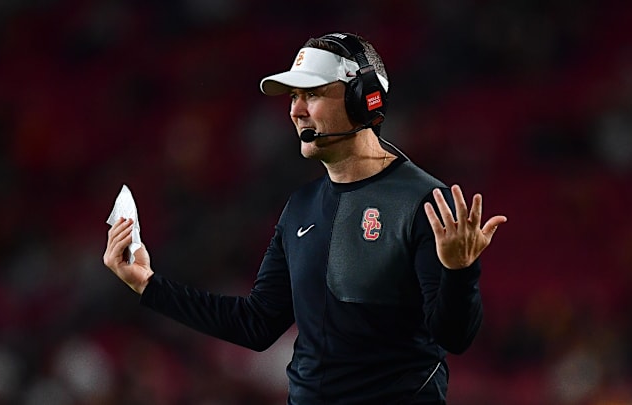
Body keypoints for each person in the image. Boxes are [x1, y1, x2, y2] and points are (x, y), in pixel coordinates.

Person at [103, 32, 507, 404]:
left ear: (362, 98)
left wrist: (459, 271)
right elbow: (256, 324)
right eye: (292, 97)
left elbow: (454, 336)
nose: (296, 111)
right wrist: (148, 285)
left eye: (311, 94)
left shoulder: (423, 201)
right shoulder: (301, 205)